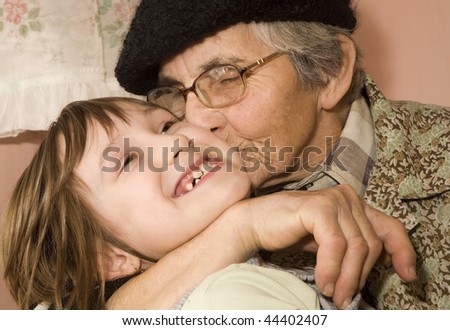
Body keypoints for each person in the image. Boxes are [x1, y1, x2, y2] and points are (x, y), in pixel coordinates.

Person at [112, 0, 450, 309]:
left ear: (329, 70)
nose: (194, 121)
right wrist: (241, 227)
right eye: (174, 94)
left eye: (225, 77)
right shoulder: (185, 197)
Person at [2, 97, 371, 310]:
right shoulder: (227, 300)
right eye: (126, 160)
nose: (172, 144)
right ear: (109, 259)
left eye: (165, 125)